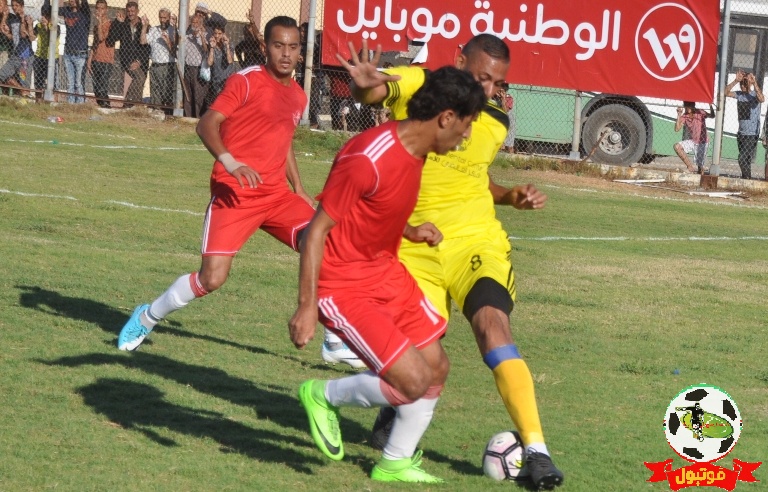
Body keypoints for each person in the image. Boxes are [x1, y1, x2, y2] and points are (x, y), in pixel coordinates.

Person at [337, 36, 564, 490]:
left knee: (493, 327)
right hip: (415, 249)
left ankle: (537, 451)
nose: (489, 90)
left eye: (498, 83)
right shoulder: (426, 84)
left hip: (475, 244)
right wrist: (365, 89)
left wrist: (508, 196)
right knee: (421, 364)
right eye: (482, 77)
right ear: (459, 61)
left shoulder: (495, 120)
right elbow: (379, 90)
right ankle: (383, 406)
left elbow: (477, 177)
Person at [290, 66, 485, 483]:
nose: (466, 136)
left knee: (437, 368)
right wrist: (307, 306)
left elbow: (378, 208)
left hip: (385, 271)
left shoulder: (417, 148)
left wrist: (411, 231)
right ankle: (322, 395)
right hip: (342, 284)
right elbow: (316, 232)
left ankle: (394, 460)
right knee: (413, 380)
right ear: (446, 118)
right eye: (467, 125)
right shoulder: (367, 159)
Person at [117, 16, 313, 351]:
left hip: (276, 197)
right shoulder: (246, 82)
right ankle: (147, 317)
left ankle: (336, 336)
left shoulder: (297, 95)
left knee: (325, 242)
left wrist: (299, 188)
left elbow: (285, 139)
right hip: (234, 196)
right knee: (212, 278)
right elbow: (207, 124)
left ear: (300, 52)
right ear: (265, 47)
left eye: (293, 47)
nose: (286, 53)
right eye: (278, 45)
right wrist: (230, 161)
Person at [106, 1, 150, 108]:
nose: (130, 13)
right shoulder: (123, 23)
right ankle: (127, 105)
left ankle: (134, 108)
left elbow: (148, 47)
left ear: (137, 11)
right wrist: (117, 22)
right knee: (139, 79)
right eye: (128, 11)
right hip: (127, 58)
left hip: (142, 60)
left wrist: (139, 61)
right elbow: (111, 40)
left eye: (133, 11)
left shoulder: (143, 25)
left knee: (140, 83)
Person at [726, 70, 764, 179]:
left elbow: (762, 99)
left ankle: (746, 178)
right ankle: (746, 179)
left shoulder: (754, 95)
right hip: (741, 133)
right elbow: (725, 93)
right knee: (746, 160)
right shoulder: (739, 94)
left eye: (745, 83)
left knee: (742, 159)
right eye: (741, 83)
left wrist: (754, 83)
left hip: (752, 134)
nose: (743, 85)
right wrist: (735, 81)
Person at [142, 8, 177, 114]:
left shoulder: (173, 30)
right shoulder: (154, 30)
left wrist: (168, 42)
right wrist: (144, 26)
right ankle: (156, 111)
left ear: (169, 17)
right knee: (155, 90)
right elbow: (143, 41)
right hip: (155, 65)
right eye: (160, 17)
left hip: (168, 65)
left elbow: (175, 52)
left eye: (165, 18)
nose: (162, 20)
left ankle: (167, 113)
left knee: (167, 91)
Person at [58, 0, 90, 103]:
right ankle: (70, 105)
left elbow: (85, 4)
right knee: (70, 83)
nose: (71, 1)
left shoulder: (84, 13)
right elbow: (49, 10)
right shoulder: (66, 11)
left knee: (78, 83)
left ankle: (80, 106)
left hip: (80, 54)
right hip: (68, 53)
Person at [0, 0, 34, 93]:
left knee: (24, 82)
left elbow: (26, 36)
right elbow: (13, 37)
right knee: (2, 75)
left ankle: (25, 95)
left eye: (17, 5)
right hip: (15, 56)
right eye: (13, 5)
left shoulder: (27, 19)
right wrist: (7, 33)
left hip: (25, 58)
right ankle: (23, 91)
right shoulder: (13, 19)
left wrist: (24, 22)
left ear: (22, 6)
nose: (14, 7)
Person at [673, 101, 714, 174]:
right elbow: (677, 129)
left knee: (700, 167)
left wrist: (710, 106)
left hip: (702, 142)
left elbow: (712, 116)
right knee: (677, 147)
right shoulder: (685, 116)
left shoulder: (700, 112)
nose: (687, 107)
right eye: (686, 105)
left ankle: (700, 175)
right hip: (693, 141)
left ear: (693, 105)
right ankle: (690, 167)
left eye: (689, 105)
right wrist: (679, 114)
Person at [87, 0, 114, 108]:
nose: (99, 11)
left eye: (102, 8)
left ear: (106, 10)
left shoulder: (110, 24)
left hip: (106, 60)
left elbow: (102, 37)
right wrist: (90, 59)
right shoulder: (96, 25)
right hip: (96, 59)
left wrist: (99, 22)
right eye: (97, 8)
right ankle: (102, 106)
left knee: (103, 87)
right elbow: (95, 43)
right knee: (96, 89)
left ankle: (106, 106)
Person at [203, 17, 234, 108]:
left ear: (224, 34)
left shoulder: (229, 45)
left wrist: (227, 46)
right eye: (215, 33)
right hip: (216, 81)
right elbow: (209, 63)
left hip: (227, 80)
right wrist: (212, 48)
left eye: (219, 34)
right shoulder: (211, 46)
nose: (217, 36)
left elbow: (230, 60)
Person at [182, 12, 208, 117]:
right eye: (193, 22)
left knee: (198, 96)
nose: (194, 25)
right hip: (188, 68)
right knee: (188, 94)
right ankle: (188, 117)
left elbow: (206, 50)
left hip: (199, 69)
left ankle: (198, 117)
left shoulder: (205, 35)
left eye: (197, 23)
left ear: (201, 24)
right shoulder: (187, 36)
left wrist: (201, 37)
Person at [33, 4, 59, 100]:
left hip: (52, 58)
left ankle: (53, 102)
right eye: (43, 14)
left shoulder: (56, 26)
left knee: (53, 83)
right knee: (39, 82)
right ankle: (38, 101)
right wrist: (28, 24)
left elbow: (52, 38)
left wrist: (46, 27)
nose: (44, 17)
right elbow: (32, 37)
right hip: (40, 56)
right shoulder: (38, 25)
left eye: (46, 15)